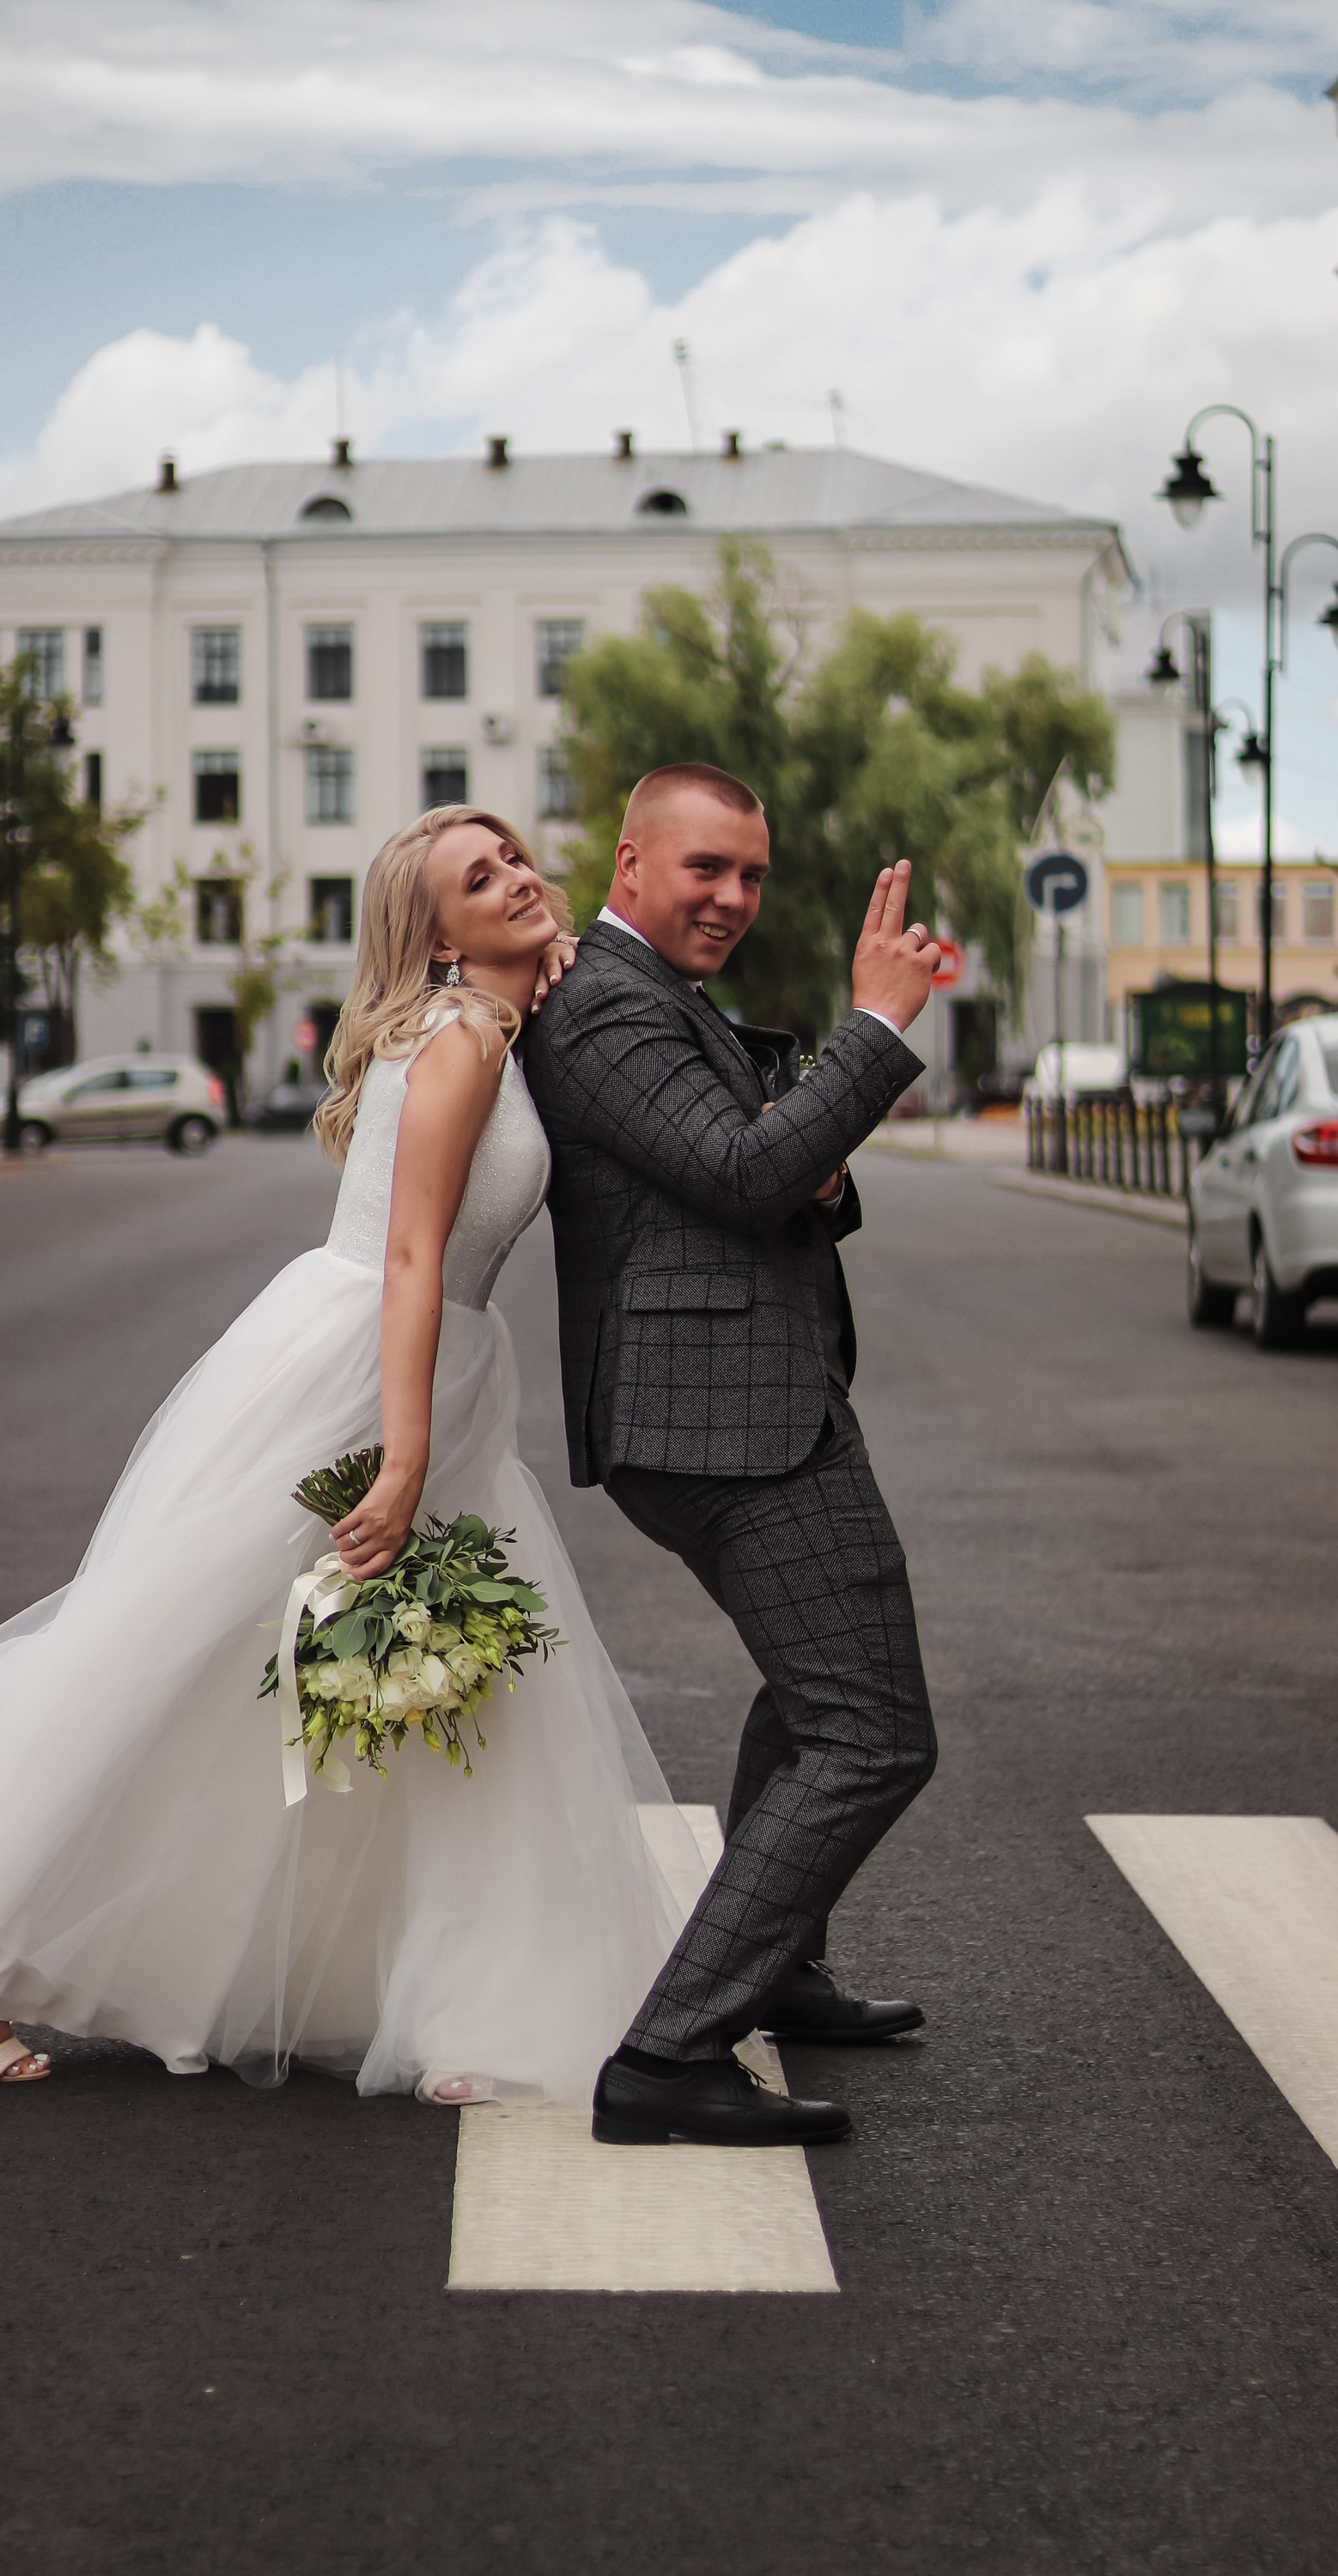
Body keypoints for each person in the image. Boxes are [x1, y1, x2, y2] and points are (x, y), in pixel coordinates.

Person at [0, 805, 702, 2105]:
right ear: (432, 935)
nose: (520, 879)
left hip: (419, 1365)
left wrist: (551, 973)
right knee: (193, 1663)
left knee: (440, 1691)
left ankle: (464, 1989)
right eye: (481, 879)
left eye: (517, 859)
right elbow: (418, 1252)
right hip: (369, 1377)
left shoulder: (489, 1025)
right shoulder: (465, 1042)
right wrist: (404, 1454)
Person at [523, 762, 941, 2148]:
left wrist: (806, 1141)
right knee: (871, 1733)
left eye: (750, 874)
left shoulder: (656, 1000)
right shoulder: (601, 1009)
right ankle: (670, 2053)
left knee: (817, 1689)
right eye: (706, 868)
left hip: (748, 1396)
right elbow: (754, 1172)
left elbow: (770, 1160)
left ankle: (781, 1967)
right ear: (631, 862)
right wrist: (873, 1027)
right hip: (717, 1417)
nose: (732, 898)